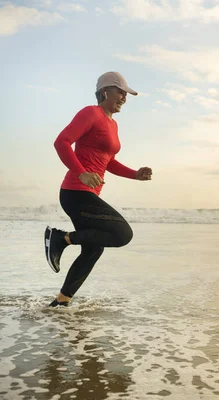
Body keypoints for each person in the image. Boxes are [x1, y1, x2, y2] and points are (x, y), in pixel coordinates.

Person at [44, 71, 152, 307]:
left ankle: (61, 302)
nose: (124, 97)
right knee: (122, 234)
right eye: (120, 92)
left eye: (126, 95)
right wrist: (80, 171)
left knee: (93, 249)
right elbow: (61, 142)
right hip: (75, 193)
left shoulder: (113, 124)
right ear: (105, 92)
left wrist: (135, 174)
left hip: (87, 194)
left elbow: (108, 161)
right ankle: (61, 238)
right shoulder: (90, 113)